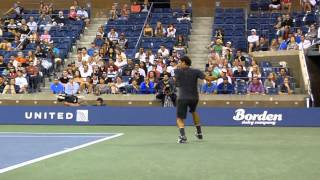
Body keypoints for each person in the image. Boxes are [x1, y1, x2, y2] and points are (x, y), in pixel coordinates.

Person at [174, 56, 216, 143]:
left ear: (184, 62)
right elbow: (209, 79)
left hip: (182, 98)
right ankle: (199, 132)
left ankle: (182, 136)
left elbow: (176, 83)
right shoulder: (196, 71)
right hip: (194, 97)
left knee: (179, 118)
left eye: (180, 62)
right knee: (194, 112)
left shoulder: (177, 71)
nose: (179, 64)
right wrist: (219, 76)